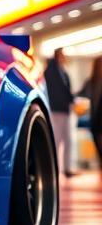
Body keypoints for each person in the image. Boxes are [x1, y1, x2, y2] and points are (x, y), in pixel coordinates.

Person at [44, 48, 75, 177]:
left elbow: (66, 90)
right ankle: (53, 169)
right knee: (57, 141)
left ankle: (67, 168)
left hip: (65, 110)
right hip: (56, 110)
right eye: (62, 54)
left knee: (68, 140)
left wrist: (72, 100)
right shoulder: (51, 71)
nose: (64, 57)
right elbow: (56, 91)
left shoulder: (62, 71)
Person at [81, 55, 102, 173]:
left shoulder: (91, 81)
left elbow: (81, 93)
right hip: (96, 120)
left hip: (95, 121)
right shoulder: (91, 81)